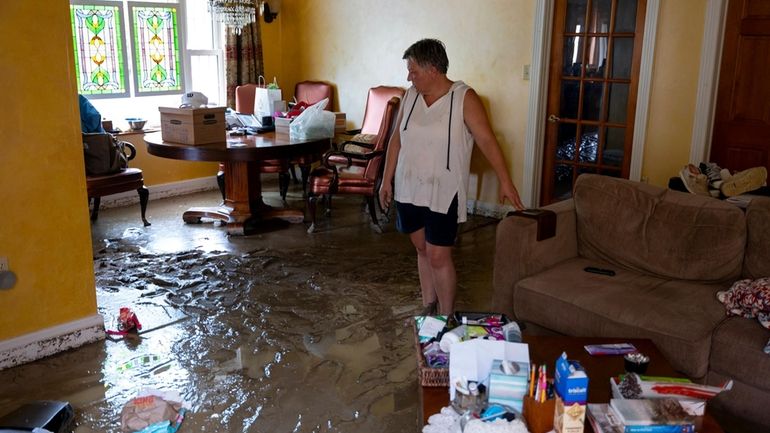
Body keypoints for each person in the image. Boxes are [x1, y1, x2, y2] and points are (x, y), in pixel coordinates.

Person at [379, 39, 525, 316]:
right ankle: (428, 304)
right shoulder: (410, 96)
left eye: (413, 71)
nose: (409, 76)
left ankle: (446, 315)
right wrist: (387, 180)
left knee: (438, 255)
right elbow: (397, 140)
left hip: (443, 190)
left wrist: (506, 180)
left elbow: (487, 140)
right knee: (421, 249)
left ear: (433, 69)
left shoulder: (464, 98)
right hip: (409, 186)